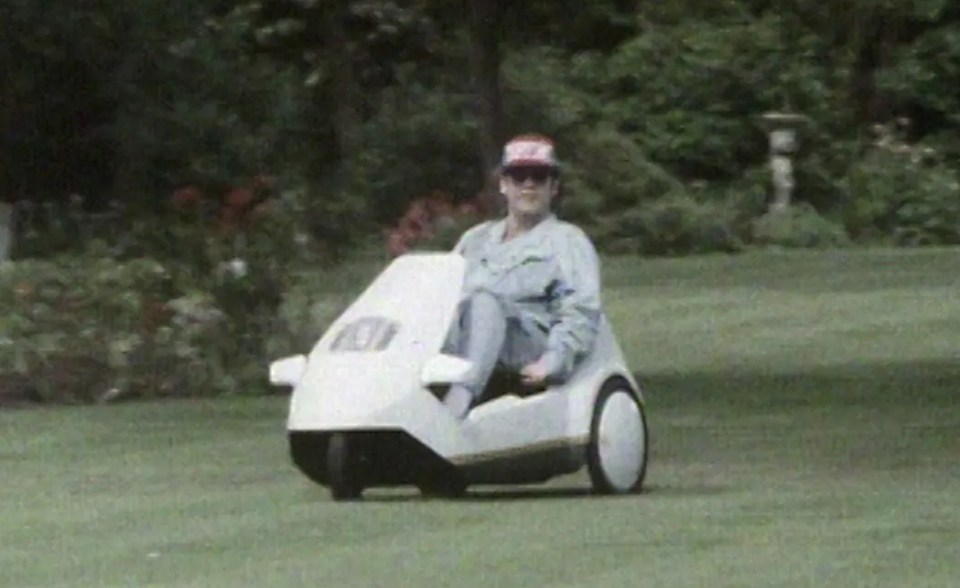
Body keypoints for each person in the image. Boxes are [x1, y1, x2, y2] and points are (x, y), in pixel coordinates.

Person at [442, 134, 603, 419]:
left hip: (523, 349)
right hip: (462, 344)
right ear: (504, 185)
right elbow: (440, 292)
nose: (529, 184)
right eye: (519, 176)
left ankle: (456, 406)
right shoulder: (475, 239)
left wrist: (552, 362)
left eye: (539, 176)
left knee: (484, 301)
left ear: (553, 187)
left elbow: (580, 311)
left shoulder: (567, 240)